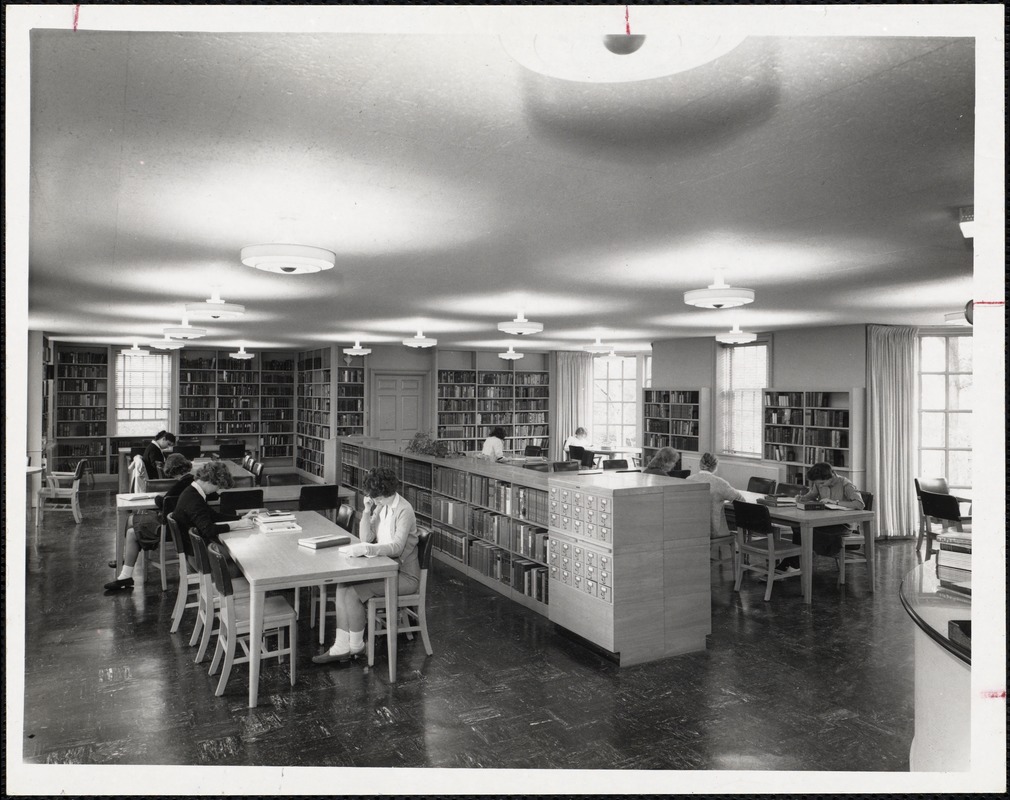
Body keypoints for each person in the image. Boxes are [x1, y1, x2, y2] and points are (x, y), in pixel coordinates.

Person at [313, 466, 420, 664]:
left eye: (378, 498)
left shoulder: (404, 510)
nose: (376, 501)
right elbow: (366, 537)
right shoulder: (381, 506)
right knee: (342, 584)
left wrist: (368, 550)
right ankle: (342, 645)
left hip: (403, 576)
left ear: (388, 492)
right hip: (384, 568)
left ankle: (356, 646)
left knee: (353, 591)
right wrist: (368, 510)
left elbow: (396, 547)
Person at [105, 453, 196, 579]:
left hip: (172, 528)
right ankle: (126, 558)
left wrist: (159, 497)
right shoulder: (193, 481)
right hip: (181, 525)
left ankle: (126, 565)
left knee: (132, 525)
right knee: (132, 521)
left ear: (172, 470)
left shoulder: (180, 485)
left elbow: (163, 502)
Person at [779, 461, 865, 570]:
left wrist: (835, 502)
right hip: (823, 522)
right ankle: (794, 562)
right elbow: (811, 495)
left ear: (831, 476)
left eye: (822, 483)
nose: (820, 486)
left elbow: (860, 504)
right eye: (818, 483)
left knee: (807, 531)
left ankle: (795, 563)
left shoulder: (845, 484)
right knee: (798, 527)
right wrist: (801, 498)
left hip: (842, 525)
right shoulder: (819, 483)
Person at [171, 460, 255, 547]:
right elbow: (208, 530)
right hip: (197, 550)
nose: (217, 490)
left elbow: (214, 516)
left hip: (195, 544)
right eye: (218, 486)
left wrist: (241, 518)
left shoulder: (192, 491)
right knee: (239, 547)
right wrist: (238, 524)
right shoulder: (194, 499)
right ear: (209, 481)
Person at [687, 453, 743, 538]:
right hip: (713, 529)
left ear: (700, 464)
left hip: (691, 528)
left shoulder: (688, 479)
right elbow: (739, 499)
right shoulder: (719, 483)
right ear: (715, 467)